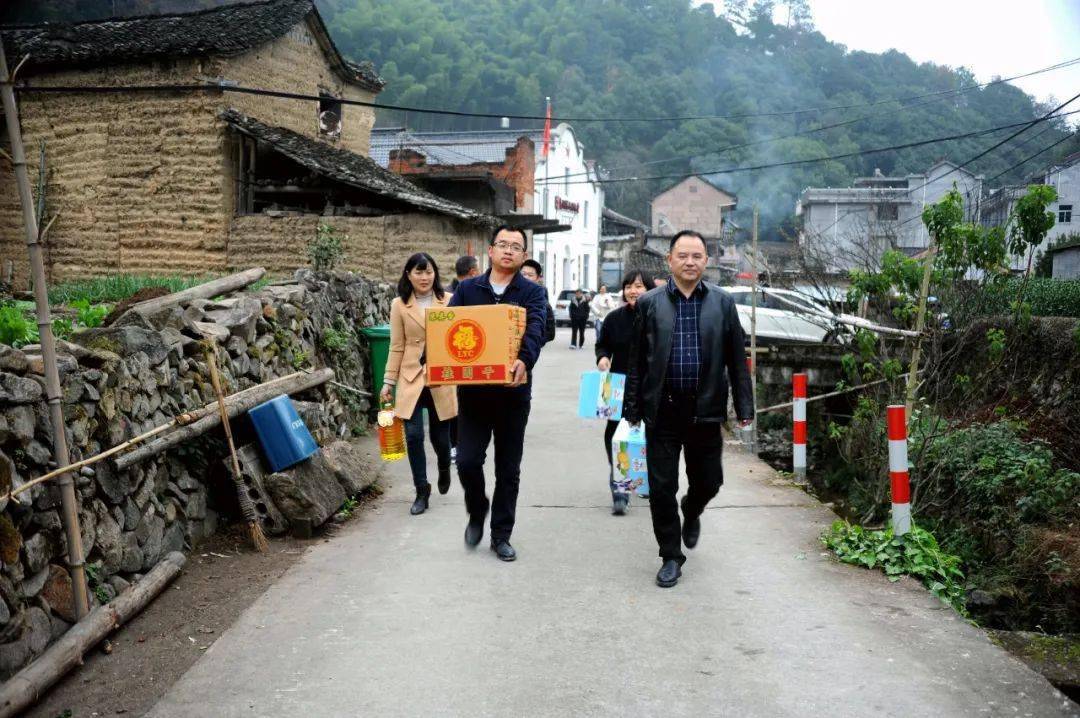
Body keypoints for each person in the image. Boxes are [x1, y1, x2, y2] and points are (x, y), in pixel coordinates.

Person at [624, 230, 754, 589]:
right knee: (662, 487)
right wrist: (631, 407)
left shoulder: (722, 303)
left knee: (710, 481)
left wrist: (744, 406)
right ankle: (670, 555)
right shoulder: (649, 303)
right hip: (662, 411)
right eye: (683, 255)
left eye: (697, 256)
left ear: (706, 261)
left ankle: (693, 509)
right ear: (670, 260)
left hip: (706, 410)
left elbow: (737, 361)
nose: (690, 262)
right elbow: (637, 361)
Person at [450, 226, 548, 561]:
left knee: (508, 469)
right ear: (489, 251)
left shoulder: (532, 293)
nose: (508, 251)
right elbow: (447, 330)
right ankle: (478, 509)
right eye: (502, 245)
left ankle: (501, 535)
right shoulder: (466, 289)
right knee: (466, 461)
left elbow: (535, 328)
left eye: (516, 247)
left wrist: (524, 359)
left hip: (513, 396)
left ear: (523, 256)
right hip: (474, 396)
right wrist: (430, 362)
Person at [381, 253, 458, 516]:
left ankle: (445, 466)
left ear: (435, 274)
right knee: (413, 435)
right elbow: (397, 345)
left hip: (441, 376)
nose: (424, 278)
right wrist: (388, 381)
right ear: (408, 275)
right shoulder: (399, 305)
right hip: (411, 376)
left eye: (428, 272)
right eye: (418, 272)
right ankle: (421, 490)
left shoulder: (449, 301)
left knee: (440, 437)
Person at [595, 269, 653, 515]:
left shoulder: (659, 318)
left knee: (650, 438)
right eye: (629, 286)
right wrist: (602, 358)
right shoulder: (614, 318)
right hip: (618, 386)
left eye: (639, 286)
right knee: (615, 436)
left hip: (651, 387)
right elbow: (603, 344)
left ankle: (646, 480)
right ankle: (620, 489)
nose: (633, 291)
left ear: (650, 290)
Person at [520, 259, 556, 345]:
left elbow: (550, 333)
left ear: (538, 278)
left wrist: (532, 343)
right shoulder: (512, 294)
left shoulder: (543, 303)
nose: (526, 277)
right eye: (523, 274)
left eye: (530, 275)